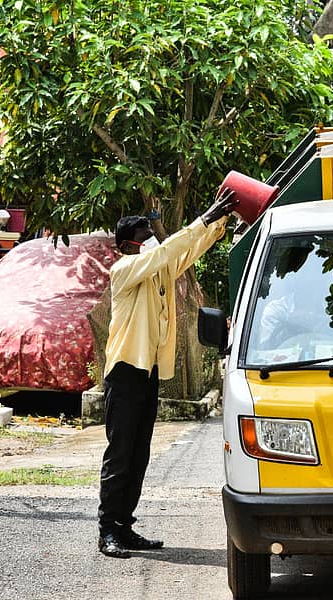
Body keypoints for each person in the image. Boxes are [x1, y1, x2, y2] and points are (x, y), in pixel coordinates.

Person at [97, 187, 238, 559]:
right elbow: (168, 250)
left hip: (147, 373)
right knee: (121, 452)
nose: (152, 236)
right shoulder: (125, 269)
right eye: (145, 233)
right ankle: (108, 528)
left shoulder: (156, 269)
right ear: (129, 243)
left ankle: (125, 526)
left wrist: (219, 223)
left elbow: (185, 251)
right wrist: (204, 217)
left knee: (139, 452)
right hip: (125, 370)